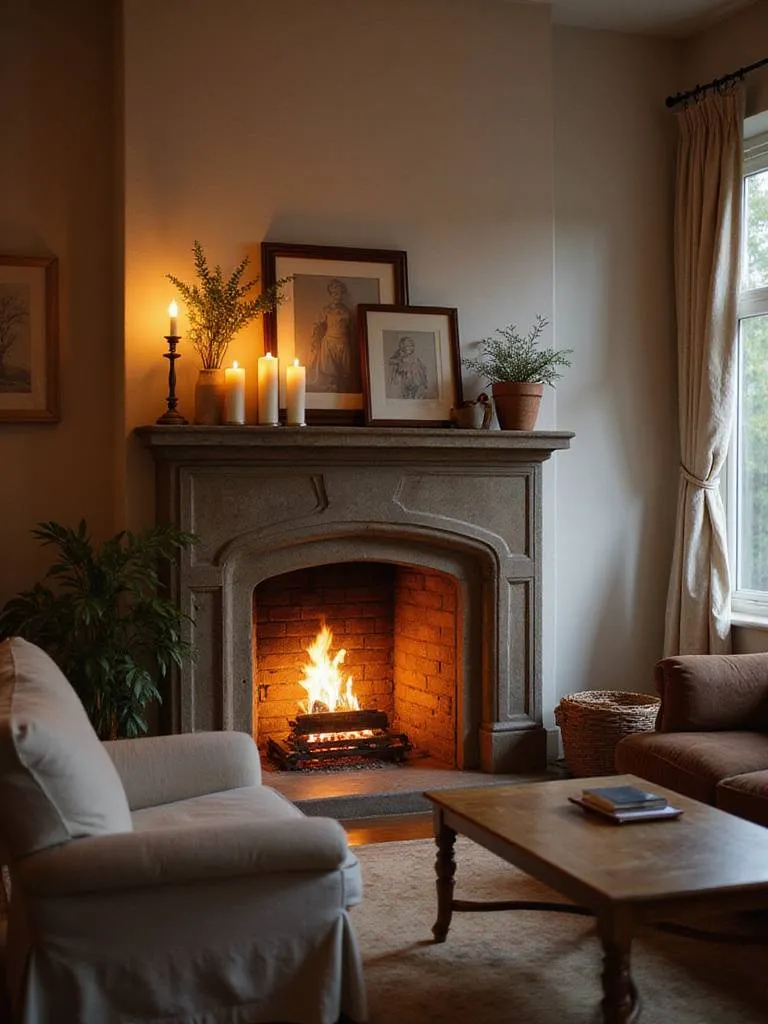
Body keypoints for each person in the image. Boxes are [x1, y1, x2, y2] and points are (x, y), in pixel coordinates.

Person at [308, 279, 356, 393]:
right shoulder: (326, 310)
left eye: (339, 293)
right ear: (330, 294)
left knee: (344, 370)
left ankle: (343, 391)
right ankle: (330, 389)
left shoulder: (347, 311)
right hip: (329, 342)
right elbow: (318, 326)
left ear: (343, 294)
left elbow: (352, 328)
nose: (337, 296)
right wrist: (315, 339)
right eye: (334, 293)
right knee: (329, 368)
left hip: (343, 342)